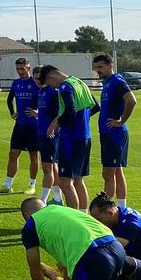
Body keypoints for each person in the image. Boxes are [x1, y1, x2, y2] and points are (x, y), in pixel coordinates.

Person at [42, 66, 99, 211]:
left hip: (70, 139)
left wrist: (57, 125)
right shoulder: (79, 82)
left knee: (65, 182)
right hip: (85, 136)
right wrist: (81, 121)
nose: (52, 87)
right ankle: (84, 216)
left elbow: (70, 112)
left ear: (51, 78)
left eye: (49, 84)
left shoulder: (65, 87)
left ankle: (75, 219)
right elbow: (96, 107)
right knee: (78, 180)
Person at [89, 192, 141, 280]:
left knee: (107, 254)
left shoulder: (130, 224)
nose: (98, 224)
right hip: (137, 258)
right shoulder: (120, 213)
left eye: (99, 220)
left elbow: (111, 248)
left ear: (110, 213)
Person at [93, 54, 137, 207]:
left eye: (100, 67)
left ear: (110, 65)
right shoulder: (107, 82)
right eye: (96, 67)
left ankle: (106, 208)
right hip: (107, 132)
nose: (98, 70)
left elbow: (131, 100)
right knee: (116, 171)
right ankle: (121, 207)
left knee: (108, 173)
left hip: (115, 133)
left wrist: (121, 121)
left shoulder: (117, 81)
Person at [0, 58, 40, 194]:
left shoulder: (36, 83)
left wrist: (38, 112)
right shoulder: (16, 83)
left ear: (29, 68)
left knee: (34, 155)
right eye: (18, 69)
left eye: (23, 68)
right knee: (13, 154)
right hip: (20, 125)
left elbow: (46, 100)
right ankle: (7, 184)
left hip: (34, 125)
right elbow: (9, 99)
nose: (20, 71)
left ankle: (32, 185)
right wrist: (12, 113)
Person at [34, 67, 64, 205]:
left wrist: (53, 129)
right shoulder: (41, 92)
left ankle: (43, 200)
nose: (38, 81)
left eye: (40, 78)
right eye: (36, 78)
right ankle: (57, 197)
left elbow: (57, 114)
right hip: (41, 133)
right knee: (51, 166)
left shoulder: (53, 92)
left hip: (51, 134)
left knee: (48, 167)